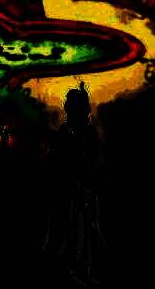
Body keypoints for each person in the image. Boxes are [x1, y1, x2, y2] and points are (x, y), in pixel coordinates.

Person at [43, 82, 107, 286]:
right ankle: (67, 271)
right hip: (65, 194)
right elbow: (56, 162)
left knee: (83, 234)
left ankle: (80, 271)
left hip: (82, 194)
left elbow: (91, 163)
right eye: (69, 106)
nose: (69, 111)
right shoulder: (65, 132)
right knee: (64, 233)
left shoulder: (87, 134)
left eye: (73, 107)